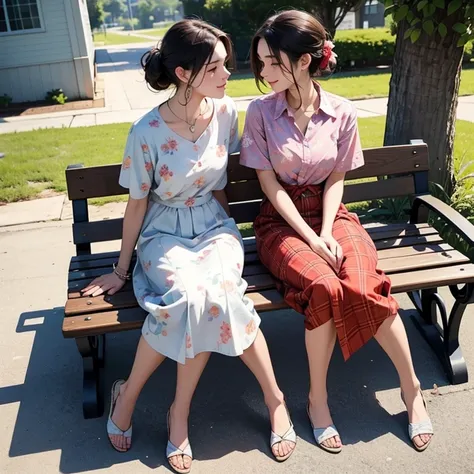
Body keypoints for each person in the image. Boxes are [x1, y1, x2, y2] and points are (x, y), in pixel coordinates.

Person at [82, 19, 296, 473]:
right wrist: (121, 271)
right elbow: (136, 207)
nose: (227, 75)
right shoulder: (147, 132)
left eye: (226, 65)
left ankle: (269, 400)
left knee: (219, 292)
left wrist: (235, 233)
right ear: (184, 73)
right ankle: (134, 396)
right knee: (189, 298)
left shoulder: (225, 113)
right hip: (164, 233)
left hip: (215, 229)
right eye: (215, 67)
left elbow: (219, 185)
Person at [240, 10, 433, 454]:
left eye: (273, 62)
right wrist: (310, 238)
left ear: (304, 61)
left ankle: (412, 389)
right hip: (281, 223)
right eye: (262, 63)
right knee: (325, 286)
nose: (264, 72)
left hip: (333, 216)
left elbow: (337, 181)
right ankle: (317, 400)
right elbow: (269, 186)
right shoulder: (260, 113)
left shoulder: (342, 112)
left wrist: (326, 230)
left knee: (365, 284)